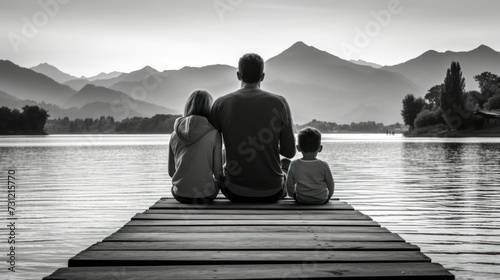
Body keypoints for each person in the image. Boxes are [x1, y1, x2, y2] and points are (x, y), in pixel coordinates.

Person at [210, 53, 296, 203]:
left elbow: (211, 151)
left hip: (234, 191)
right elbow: (289, 152)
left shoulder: (220, 104)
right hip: (272, 192)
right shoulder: (280, 103)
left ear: (238, 75)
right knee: (286, 164)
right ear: (262, 76)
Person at [169, 90, 223, 204]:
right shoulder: (214, 133)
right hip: (206, 196)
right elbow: (218, 173)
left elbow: (171, 172)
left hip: (180, 195)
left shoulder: (174, 134)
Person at [286, 127, 334, 204]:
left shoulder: (294, 164)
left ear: (298, 148)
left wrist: (292, 195)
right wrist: (329, 196)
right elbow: (330, 183)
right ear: (320, 148)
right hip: (321, 199)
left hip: (301, 199)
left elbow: (289, 184)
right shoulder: (323, 165)